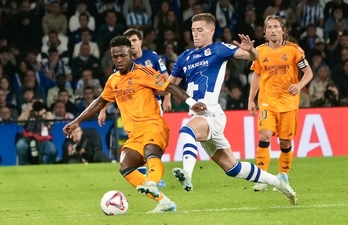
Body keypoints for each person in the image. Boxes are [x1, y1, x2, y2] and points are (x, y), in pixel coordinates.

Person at [63, 36, 207, 213]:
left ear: (130, 53)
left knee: (151, 151)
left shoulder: (144, 72)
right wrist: (77, 121)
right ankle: (164, 202)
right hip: (135, 134)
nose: (119, 60)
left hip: (153, 125)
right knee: (125, 166)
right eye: (115, 57)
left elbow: (169, 87)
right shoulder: (113, 80)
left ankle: (152, 182)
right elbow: (100, 101)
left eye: (122, 56)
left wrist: (192, 102)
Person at [168, 13, 297, 205]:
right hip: (198, 114)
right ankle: (278, 183)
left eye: (200, 30)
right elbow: (169, 85)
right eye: (193, 30)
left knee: (187, 131)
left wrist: (251, 51)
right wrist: (169, 96)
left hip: (211, 113)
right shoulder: (185, 57)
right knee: (232, 168)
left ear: (211, 31)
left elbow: (252, 57)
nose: (195, 34)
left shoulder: (218, 49)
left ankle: (187, 172)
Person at [97, 28, 171, 187]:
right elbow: (113, 89)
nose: (132, 44)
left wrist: (167, 98)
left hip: (152, 102)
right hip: (131, 107)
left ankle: (154, 175)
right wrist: (103, 109)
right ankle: (152, 176)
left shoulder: (152, 57)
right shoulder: (121, 65)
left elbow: (165, 80)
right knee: (137, 145)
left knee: (152, 141)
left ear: (140, 42)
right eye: (129, 42)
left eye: (135, 41)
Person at [248, 15, 313, 192]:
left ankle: (283, 176)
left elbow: (308, 73)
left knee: (285, 142)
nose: (273, 30)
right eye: (269, 27)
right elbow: (257, 75)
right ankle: (262, 177)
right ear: (265, 32)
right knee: (264, 136)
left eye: (276, 27)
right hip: (267, 101)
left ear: (283, 30)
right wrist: (251, 99)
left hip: (289, 103)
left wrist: (299, 85)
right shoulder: (259, 51)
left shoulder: (294, 50)